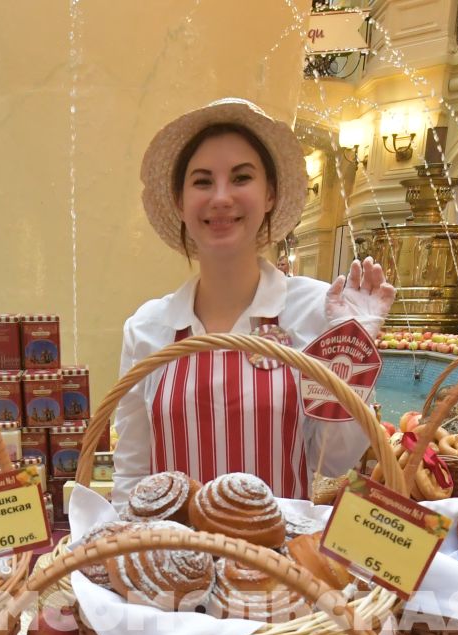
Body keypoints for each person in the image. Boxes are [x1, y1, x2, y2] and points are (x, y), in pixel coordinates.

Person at [112, 98, 395, 501]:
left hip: (276, 558)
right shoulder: (147, 328)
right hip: (176, 557)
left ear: (270, 196)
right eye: (202, 181)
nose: (221, 197)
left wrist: (353, 347)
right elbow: (132, 473)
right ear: (180, 202)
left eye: (241, 178)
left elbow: (331, 461)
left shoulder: (317, 310)